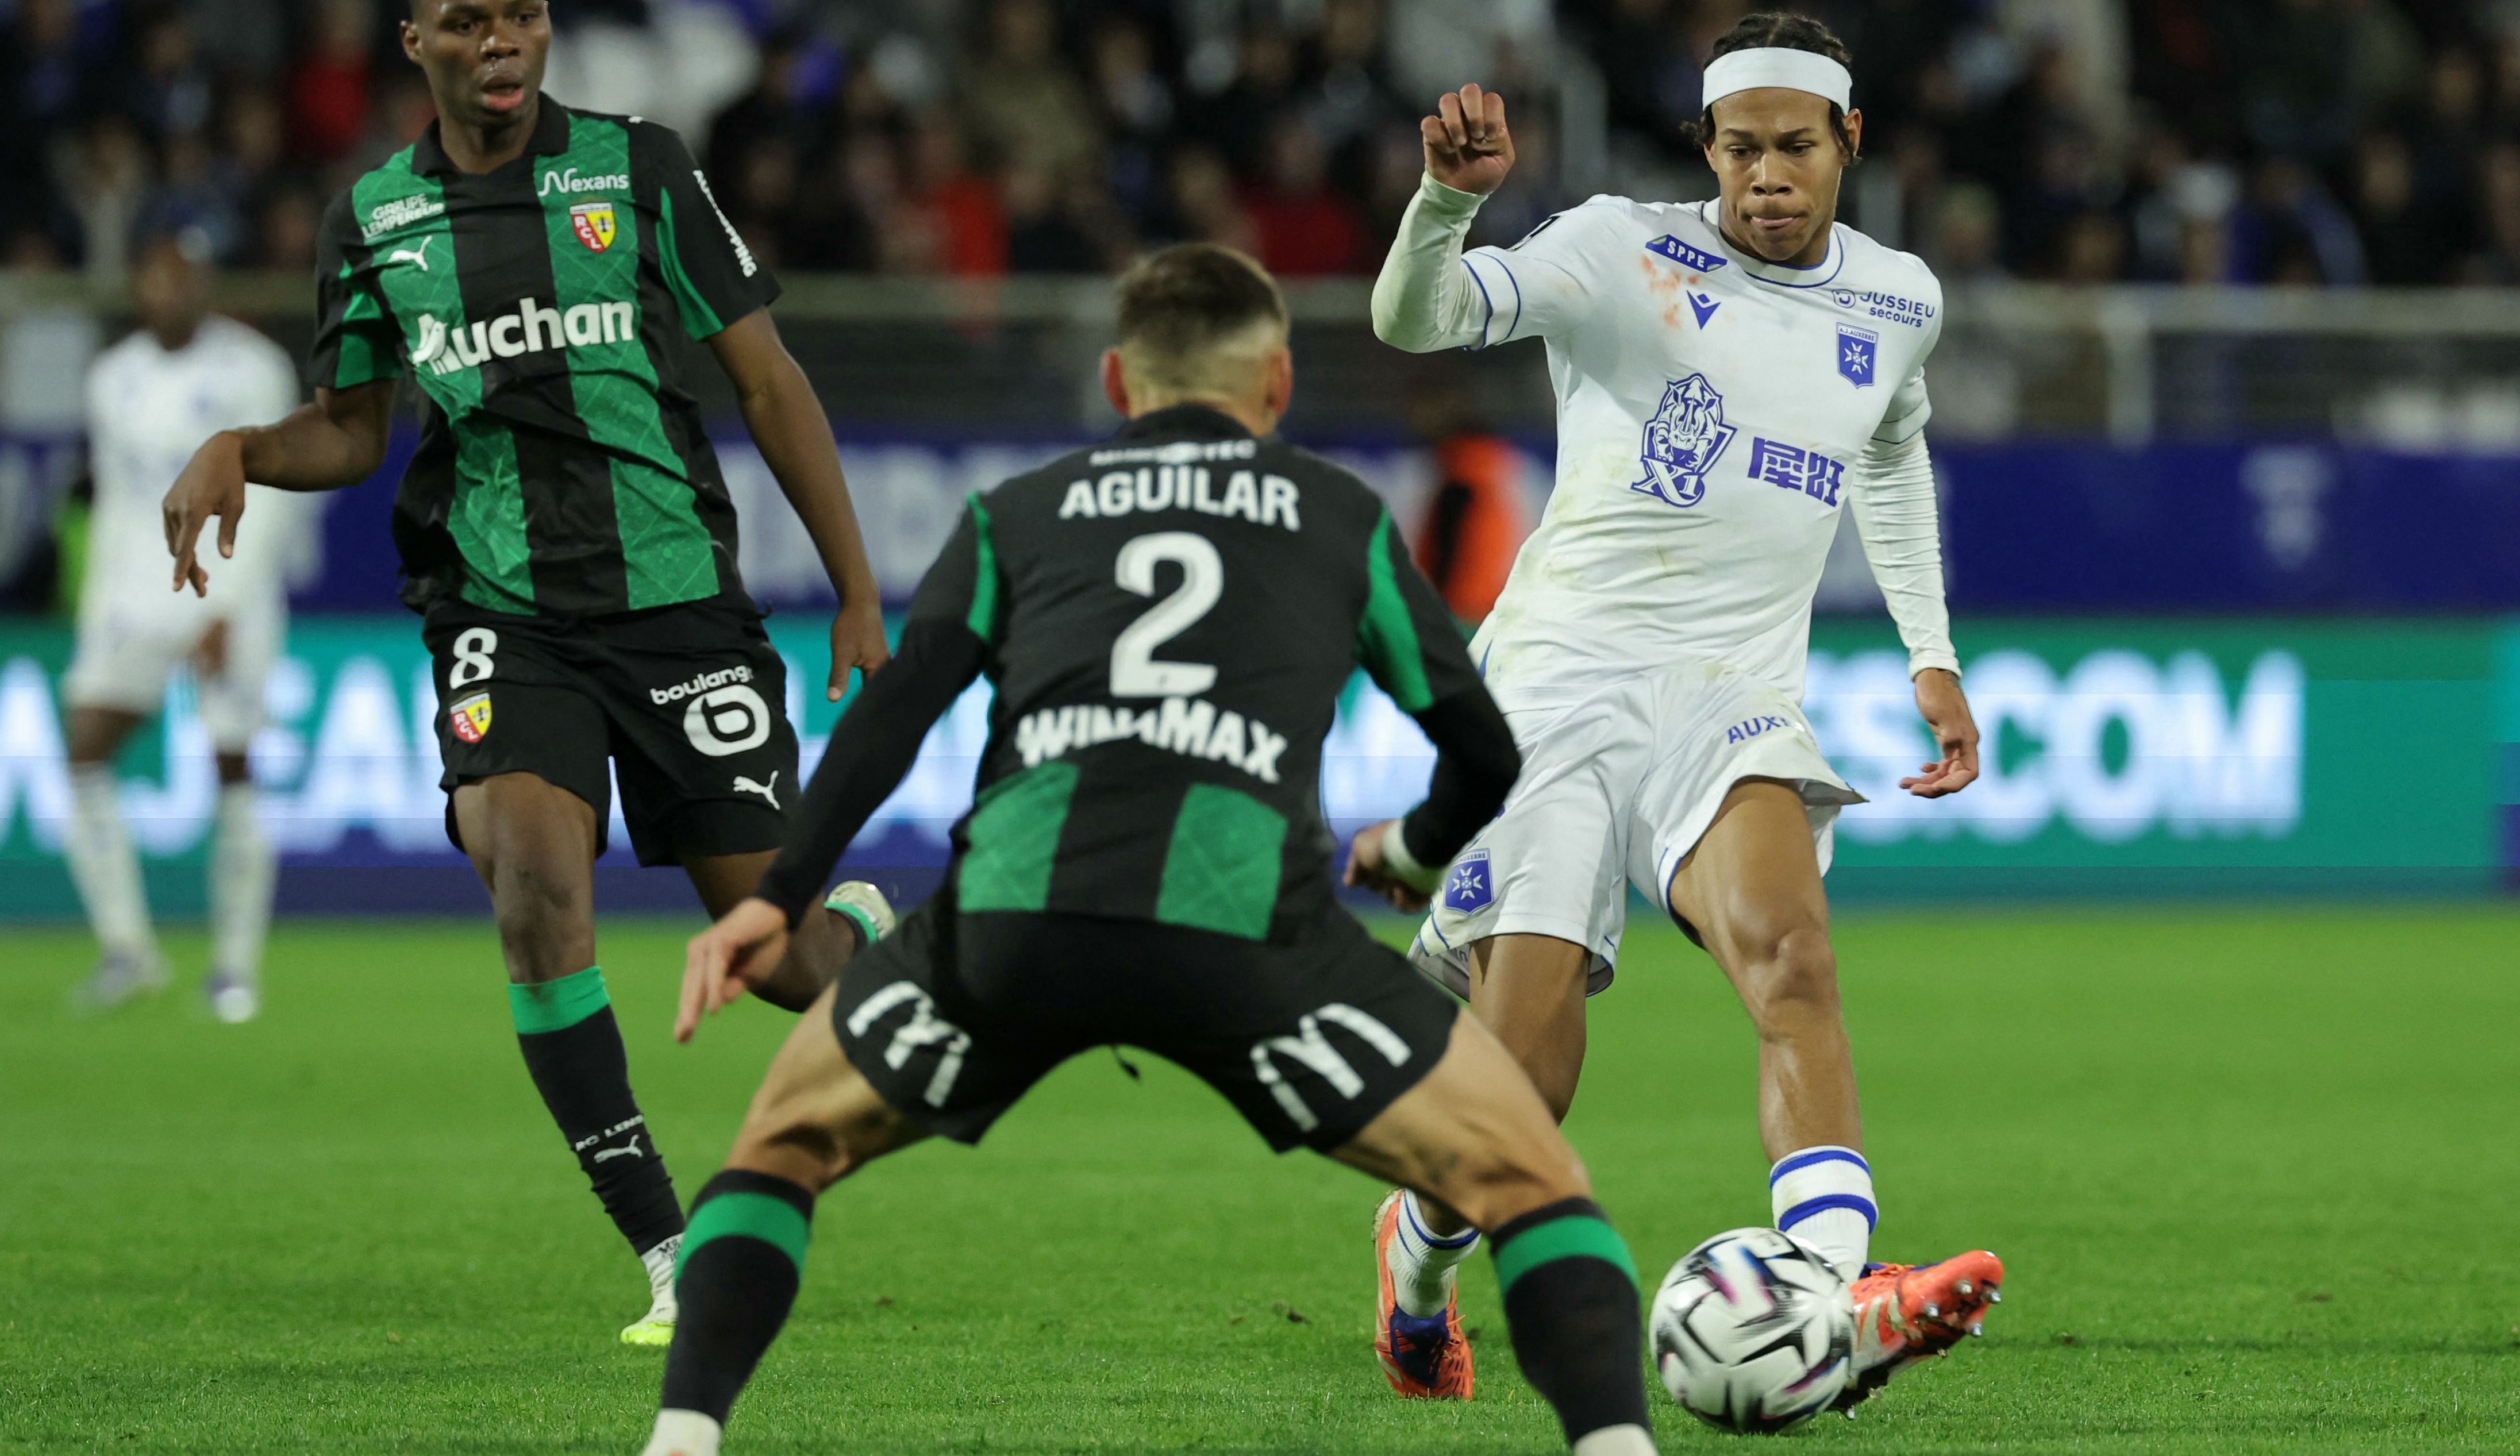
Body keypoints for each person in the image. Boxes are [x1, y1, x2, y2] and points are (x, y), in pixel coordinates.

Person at [637, 244, 1659, 1456]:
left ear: (1119, 384)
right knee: (1529, 1178)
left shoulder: (1014, 514)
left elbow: (893, 715)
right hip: (1249, 935)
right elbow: (1485, 752)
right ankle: (1616, 1446)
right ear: (1277, 384)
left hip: (1012, 926)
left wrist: (779, 897)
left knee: (781, 1145)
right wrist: (1414, 848)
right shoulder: (1336, 515)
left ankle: (683, 1438)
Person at [160, 0, 887, 1349]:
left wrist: (854, 589)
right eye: (467, 21)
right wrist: (241, 449)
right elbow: (351, 428)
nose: (501, 42)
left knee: (784, 959)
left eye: (524, 16)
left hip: (675, 606)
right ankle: (669, 1248)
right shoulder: (374, 217)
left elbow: (768, 381)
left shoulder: (639, 167)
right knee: (537, 883)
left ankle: (860, 931)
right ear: (415, 42)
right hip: (500, 607)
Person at [1364, 10, 2002, 1410]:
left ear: (1848, 142)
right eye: (1740, 149)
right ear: (1704, 146)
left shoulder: (1898, 299)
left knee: (1794, 961)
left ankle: (1831, 1297)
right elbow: (1418, 318)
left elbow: (1892, 452)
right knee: (1526, 1077)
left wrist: (1931, 652)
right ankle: (1415, 1259)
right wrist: (1445, 208)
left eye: (1795, 148)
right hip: (1555, 681)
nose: (1767, 176)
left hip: (1728, 690)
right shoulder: (1616, 251)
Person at [63, 227, 306, 1022]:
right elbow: (113, 504)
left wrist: (227, 606)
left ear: (206, 284)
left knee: (232, 763)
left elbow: (269, 496)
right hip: (135, 594)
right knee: (84, 747)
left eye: (186, 277)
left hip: (228, 590)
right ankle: (127, 950)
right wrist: (97, 606)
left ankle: (234, 968)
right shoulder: (113, 377)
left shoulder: (254, 368)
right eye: (157, 277)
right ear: (140, 284)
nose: (170, 291)